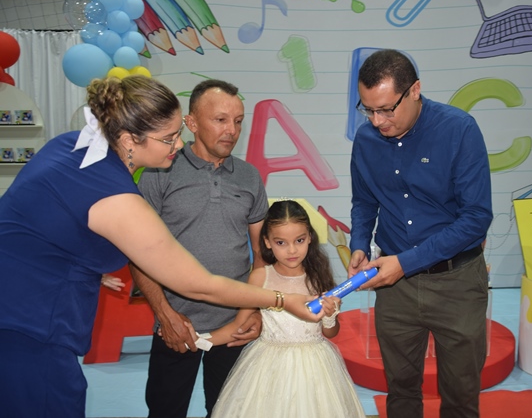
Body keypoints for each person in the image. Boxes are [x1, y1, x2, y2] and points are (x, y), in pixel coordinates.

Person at [0, 75, 320, 418]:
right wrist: (283, 299)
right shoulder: (115, 192)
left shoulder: (74, 146)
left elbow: (45, 228)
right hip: (30, 328)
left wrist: (85, 264)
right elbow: (199, 284)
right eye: (168, 138)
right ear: (129, 139)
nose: (178, 144)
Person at [348, 49, 493, 418]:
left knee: (461, 396)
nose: (377, 121)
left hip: (457, 282)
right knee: (400, 392)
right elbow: (364, 202)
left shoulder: (459, 130)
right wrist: (359, 245)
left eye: (386, 109)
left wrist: (406, 262)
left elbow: (476, 217)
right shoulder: (366, 140)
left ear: (414, 90)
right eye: (368, 110)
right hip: (395, 288)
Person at [129, 79, 268, 418]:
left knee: (228, 412)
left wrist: (253, 312)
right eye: (220, 120)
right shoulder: (159, 171)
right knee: (165, 411)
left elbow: (262, 257)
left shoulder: (250, 177)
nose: (231, 130)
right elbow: (138, 253)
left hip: (235, 326)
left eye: (238, 121)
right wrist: (165, 315)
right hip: (176, 324)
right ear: (191, 123)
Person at [208, 200, 366, 418]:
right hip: (268, 366)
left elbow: (330, 332)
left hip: (315, 368)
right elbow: (239, 325)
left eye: (299, 240)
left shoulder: (318, 276)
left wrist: (330, 316)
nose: (292, 250)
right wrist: (197, 340)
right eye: (281, 242)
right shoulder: (260, 277)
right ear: (267, 242)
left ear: (310, 237)